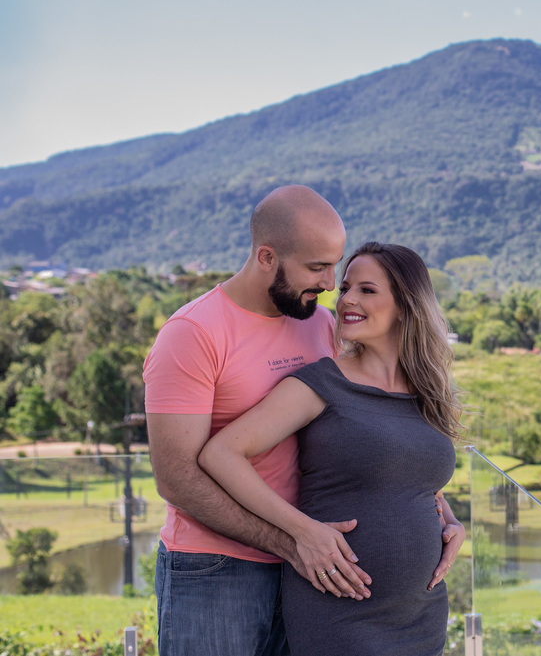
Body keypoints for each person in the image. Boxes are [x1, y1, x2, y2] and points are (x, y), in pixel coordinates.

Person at [144, 187, 464, 656]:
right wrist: (293, 539)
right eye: (317, 268)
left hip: (314, 565)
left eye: (335, 268)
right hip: (220, 568)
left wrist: (440, 512)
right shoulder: (192, 334)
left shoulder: (319, 324)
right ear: (267, 257)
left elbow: (370, 437)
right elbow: (177, 478)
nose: (332, 286)